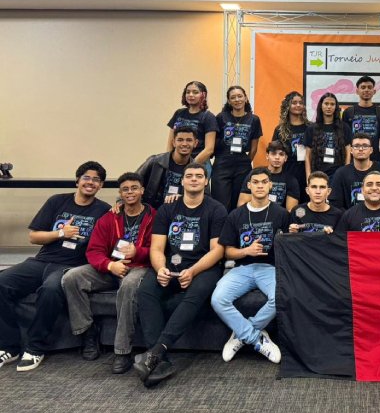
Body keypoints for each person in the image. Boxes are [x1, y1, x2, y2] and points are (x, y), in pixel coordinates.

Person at [0, 161, 110, 372]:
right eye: (86, 178)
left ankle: (35, 347)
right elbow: (34, 237)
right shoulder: (57, 201)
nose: (90, 182)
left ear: (101, 185)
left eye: (96, 180)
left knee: (50, 290)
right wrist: (61, 233)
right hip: (41, 261)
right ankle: (9, 346)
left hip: (70, 266)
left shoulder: (104, 210)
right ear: (77, 180)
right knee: (1, 283)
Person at [134, 163, 227, 387]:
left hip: (203, 267)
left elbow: (217, 250)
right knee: (146, 291)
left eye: (199, 176)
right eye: (189, 176)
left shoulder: (216, 209)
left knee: (196, 293)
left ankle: (156, 352)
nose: (194, 179)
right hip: (170, 264)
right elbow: (157, 248)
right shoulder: (167, 209)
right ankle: (159, 359)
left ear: (206, 181)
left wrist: (193, 271)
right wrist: (160, 269)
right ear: (182, 181)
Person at [62, 172, 155, 374]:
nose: (130, 192)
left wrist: (138, 252)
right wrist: (110, 266)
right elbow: (94, 251)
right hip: (111, 268)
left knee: (129, 285)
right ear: (120, 193)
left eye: (134, 188)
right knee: (71, 277)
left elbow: (160, 250)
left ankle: (122, 351)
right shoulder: (109, 218)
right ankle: (88, 332)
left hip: (140, 267)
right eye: (125, 189)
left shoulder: (154, 217)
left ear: (142, 191)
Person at [211, 167, 290, 364]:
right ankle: (255, 338)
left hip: (270, 268)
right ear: (249, 186)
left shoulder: (281, 214)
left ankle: (241, 334)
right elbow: (228, 251)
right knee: (218, 299)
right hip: (242, 268)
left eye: (264, 182)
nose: (260, 186)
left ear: (270, 185)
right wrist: (246, 251)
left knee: (279, 297)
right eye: (256, 182)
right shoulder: (236, 215)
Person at [211, 85, 262, 211]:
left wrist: (246, 161)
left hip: (242, 165)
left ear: (245, 98)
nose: (237, 100)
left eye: (240, 96)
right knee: (221, 203)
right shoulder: (221, 117)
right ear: (229, 101)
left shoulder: (254, 119)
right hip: (222, 163)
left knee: (239, 204)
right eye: (233, 97)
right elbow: (214, 141)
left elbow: (254, 147)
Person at [329, 133, 380, 210]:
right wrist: (348, 216)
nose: (361, 149)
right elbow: (335, 204)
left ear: (371, 150)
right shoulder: (341, 173)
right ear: (351, 150)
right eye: (356, 146)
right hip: (351, 216)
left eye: (365, 146)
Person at [137, 127, 196, 208]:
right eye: (180, 140)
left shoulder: (197, 169)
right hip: (152, 211)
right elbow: (133, 182)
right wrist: (121, 202)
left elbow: (205, 197)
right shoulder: (155, 161)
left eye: (189, 140)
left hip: (181, 212)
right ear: (173, 142)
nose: (184, 144)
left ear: (195, 143)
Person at [166, 81, 217, 173]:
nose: (190, 95)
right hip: (176, 163)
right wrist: (168, 161)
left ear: (203, 95)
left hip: (199, 164)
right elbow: (170, 142)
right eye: (188, 92)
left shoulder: (209, 117)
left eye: (195, 92)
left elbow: (209, 149)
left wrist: (190, 166)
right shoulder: (179, 113)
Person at [237, 141, 300, 211]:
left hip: (279, 216)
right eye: (273, 154)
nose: (277, 157)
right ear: (267, 156)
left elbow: (291, 211)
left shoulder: (291, 180)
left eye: (281, 154)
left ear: (285, 158)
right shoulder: (255, 175)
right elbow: (241, 205)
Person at [303, 92, 352, 183]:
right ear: (321, 106)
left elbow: (348, 152)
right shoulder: (311, 129)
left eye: (332, 104)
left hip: (338, 175)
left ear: (336, 107)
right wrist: (308, 177)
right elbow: (307, 155)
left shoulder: (344, 127)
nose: (329, 107)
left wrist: (345, 173)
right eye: (326, 104)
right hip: (317, 174)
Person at [341, 75, 380, 163]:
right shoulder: (348, 112)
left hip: (375, 161)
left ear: (374, 91)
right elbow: (345, 141)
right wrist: (347, 162)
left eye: (369, 87)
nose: (366, 90)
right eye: (363, 87)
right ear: (357, 91)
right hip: (353, 161)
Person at [272, 91, 310, 202]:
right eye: (294, 103)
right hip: (287, 171)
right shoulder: (280, 129)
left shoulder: (311, 127)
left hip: (307, 170)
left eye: (300, 103)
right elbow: (274, 151)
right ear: (287, 106)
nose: (298, 105)